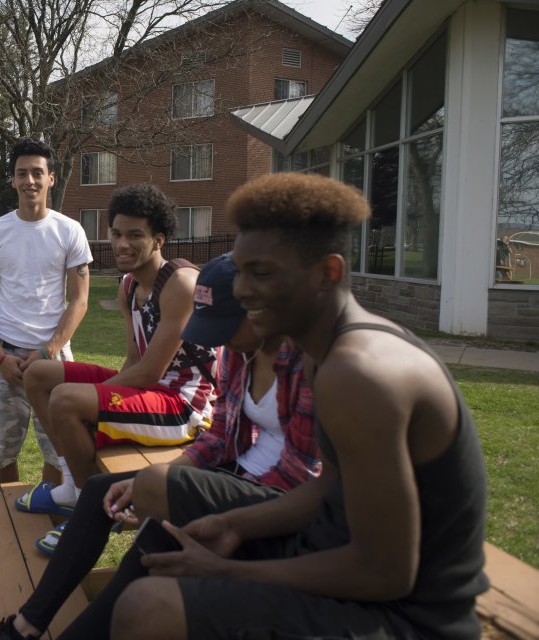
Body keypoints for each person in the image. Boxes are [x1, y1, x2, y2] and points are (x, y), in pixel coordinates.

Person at [50, 172, 488, 640]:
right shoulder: (328, 352)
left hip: (408, 616)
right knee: (174, 542)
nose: (240, 290)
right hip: (332, 550)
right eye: (240, 271)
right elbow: (327, 491)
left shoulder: (360, 374)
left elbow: (386, 573)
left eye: (262, 273)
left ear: (329, 273)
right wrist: (232, 522)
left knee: (148, 608)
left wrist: (230, 572)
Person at [0, 253, 318, 640]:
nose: (219, 339)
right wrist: (171, 475)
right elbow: (223, 434)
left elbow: (300, 476)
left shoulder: (306, 363)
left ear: (257, 308)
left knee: (161, 527)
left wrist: (195, 499)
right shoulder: (243, 352)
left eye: (225, 324)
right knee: (99, 491)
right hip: (235, 475)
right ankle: (27, 625)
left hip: (272, 496)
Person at [14, 184, 217, 529]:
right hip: (153, 391)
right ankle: (71, 485)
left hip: (186, 406)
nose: (122, 244)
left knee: (66, 400)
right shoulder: (129, 286)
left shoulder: (180, 284)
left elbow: (151, 372)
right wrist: (103, 396)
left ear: (159, 240)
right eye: (117, 233)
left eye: (136, 235)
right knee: (40, 374)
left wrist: (97, 397)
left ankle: (89, 510)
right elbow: (134, 360)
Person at [0, 138, 93, 485]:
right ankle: (6, 528)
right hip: (5, 359)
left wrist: (50, 348)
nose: (30, 181)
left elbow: (79, 299)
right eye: (21, 173)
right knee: (1, 452)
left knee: (60, 452)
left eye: (37, 173)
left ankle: (51, 518)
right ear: (12, 180)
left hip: (53, 360)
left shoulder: (69, 230)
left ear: (51, 178)